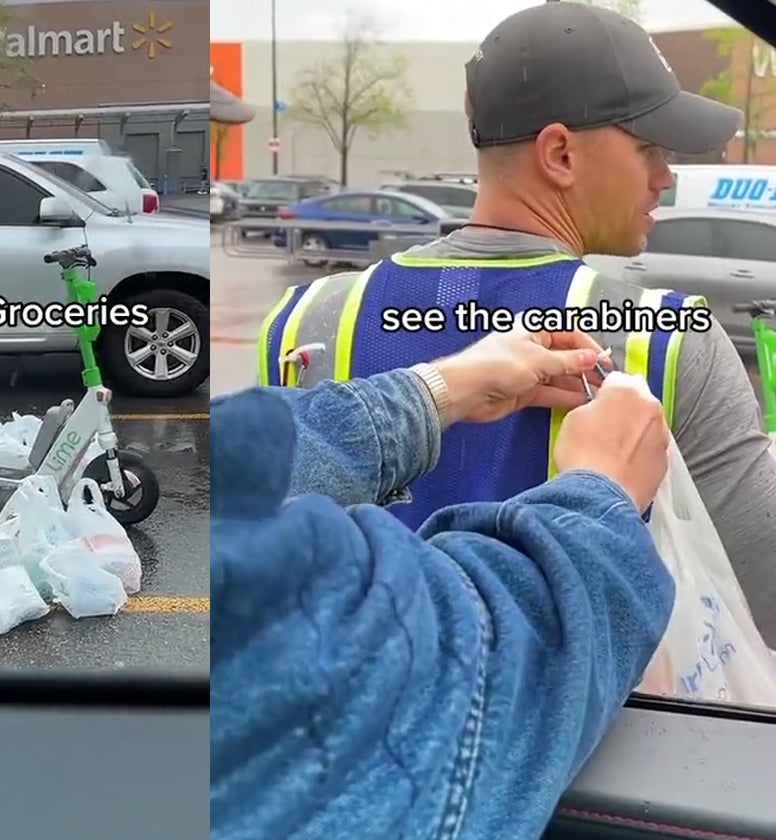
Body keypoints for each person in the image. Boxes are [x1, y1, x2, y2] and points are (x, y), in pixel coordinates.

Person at [256, 0, 776, 662]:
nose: (666, 176)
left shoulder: (301, 319)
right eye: (648, 147)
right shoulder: (664, 338)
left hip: (346, 736)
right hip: (585, 754)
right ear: (561, 154)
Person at [211, 329, 675, 840]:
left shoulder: (295, 313)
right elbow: (435, 678)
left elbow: (223, 476)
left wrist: (434, 391)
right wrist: (598, 495)